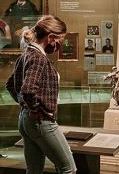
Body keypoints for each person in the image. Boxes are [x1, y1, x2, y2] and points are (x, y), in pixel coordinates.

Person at [5, 15, 76, 174]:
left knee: (34, 170)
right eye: (60, 39)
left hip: (25, 119)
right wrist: (36, 110)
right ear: (51, 37)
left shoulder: (26, 55)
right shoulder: (38, 58)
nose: (60, 44)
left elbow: (10, 85)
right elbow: (28, 89)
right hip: (41, 120)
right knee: (68, 169)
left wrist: (25, 106)